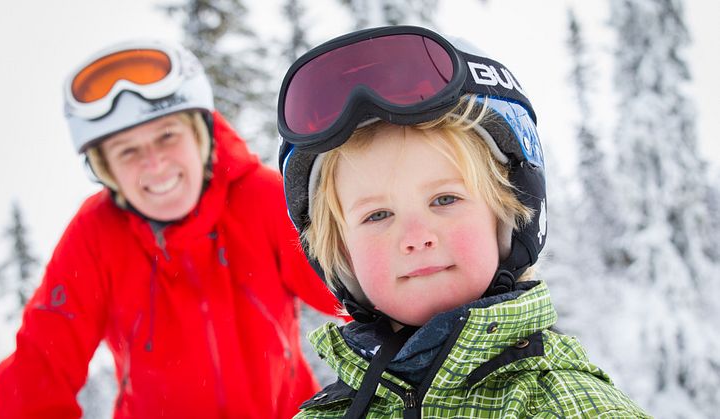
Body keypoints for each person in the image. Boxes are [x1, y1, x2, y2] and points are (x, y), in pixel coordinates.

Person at [277, 26, 650, 417]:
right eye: (378, 215)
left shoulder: (568, 407)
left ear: (508, 215)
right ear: (340, 250)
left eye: (444, 199)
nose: (416, 238)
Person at [0, 39, 340, 418]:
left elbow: (358, 286)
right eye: (127, 151)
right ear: (106, 169)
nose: (155, 164)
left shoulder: (260, 199)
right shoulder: (96, 235)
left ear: (200, 135)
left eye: (167, 136)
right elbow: (38, 369)